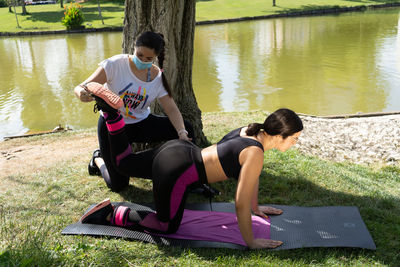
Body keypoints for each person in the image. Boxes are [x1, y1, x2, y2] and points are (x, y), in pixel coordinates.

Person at [79, 90, 303, 249]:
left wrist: (256, 207)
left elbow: (250, 182)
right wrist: (251, 241)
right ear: (278, 135)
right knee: (166, 226)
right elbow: (240, 203)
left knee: (123, 163)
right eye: (293, 139)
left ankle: (112, 114)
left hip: (179, 150)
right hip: (179, 170)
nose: (294, 143)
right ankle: (112, 214)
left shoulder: (250, 130)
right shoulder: (255, 153)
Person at [74, 31, 195, 192]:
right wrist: (81, 94)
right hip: (113, 128)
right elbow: (82, 86)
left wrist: (181, 132)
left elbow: (171, 108)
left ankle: (185, 171)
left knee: (187, 128)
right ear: (134, 48)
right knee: (119, 185)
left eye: (149, 59)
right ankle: (98, 159)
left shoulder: (158, 77)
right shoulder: (115, 64)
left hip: (141, 123)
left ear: (155, 58)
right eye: (140, 55)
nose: (143, 60)